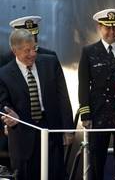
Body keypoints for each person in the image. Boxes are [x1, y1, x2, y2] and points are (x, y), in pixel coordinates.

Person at [0, 29, 74, 180]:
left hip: (51, 130)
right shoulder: (4, 74)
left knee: (55, 174)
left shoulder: (50, 62)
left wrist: (68, 130)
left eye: (34, 48)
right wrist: (9, 115)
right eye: (27, 50)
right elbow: (3, 103)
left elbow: (63, 97)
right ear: (15, 51)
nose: (33, 54)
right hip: (22, 134)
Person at [78, 8, 115, 180]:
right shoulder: (89, 52)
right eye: (107, 28)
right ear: (99, 27)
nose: (112, 32)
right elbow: (83, 85)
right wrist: (85, 114)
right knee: (97, 159)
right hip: (99, 113)